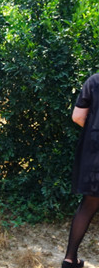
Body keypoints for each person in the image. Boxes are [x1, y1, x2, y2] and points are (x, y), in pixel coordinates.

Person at [63, 73, 99, 268]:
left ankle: (70, 259)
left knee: (88, 205)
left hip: (95, 153)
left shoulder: (94, 81)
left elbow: (77, 117)